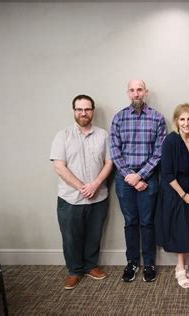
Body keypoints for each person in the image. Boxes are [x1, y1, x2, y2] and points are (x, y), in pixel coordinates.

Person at [50, 94, 113, 290]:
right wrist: (81, 186)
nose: (83, 113)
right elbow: (59, 167)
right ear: (74, 111)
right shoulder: (63, 136)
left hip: (98, 196)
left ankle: (90, 266)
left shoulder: (103, 135)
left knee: (94, 235)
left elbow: (109, 162)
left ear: (92, 111)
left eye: (87, 109)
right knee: (71, 237)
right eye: (79, 109)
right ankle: (74, 271)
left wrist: (95, 185)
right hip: (70, 198)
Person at [110, 79, 167, 282]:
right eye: (132, 90)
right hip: (124, 179)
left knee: (147, 223)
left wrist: (141, 175)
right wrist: (131, 177)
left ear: (146, 92)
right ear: (128, 93)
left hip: (149, 179)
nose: (136, 93)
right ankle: (132, 262)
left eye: (140, 90)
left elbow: (160, 152)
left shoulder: (157, 118)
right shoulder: (118, 118)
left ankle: (149, 263)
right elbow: (114, 151)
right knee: (130, 222)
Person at [155, 103, 189, 289]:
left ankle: (184, 263)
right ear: (176, 121)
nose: (186, 123)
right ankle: (180, 268)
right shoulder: (170, 141)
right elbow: (167, 173)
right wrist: (183, 194)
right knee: (180, 228)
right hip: (174, 189)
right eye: (182, 119)